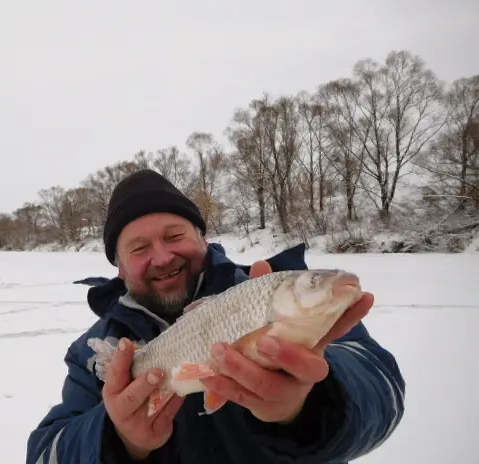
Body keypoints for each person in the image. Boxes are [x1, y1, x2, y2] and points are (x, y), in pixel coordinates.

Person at [26, 169, 405, 464]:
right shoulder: (95, 352)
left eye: (174, 236)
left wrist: (311, 402)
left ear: (203, 240)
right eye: (139, 248)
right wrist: (119, 439)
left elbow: (383, 390)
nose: (161, 257)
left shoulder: (274, 293)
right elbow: (45, 455)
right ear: (121, 269)